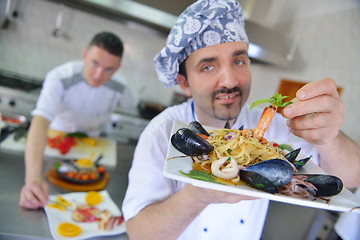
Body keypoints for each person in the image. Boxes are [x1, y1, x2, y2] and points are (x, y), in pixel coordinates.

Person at [122, 1, 360, 239]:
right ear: (184, 83)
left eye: (238, 61)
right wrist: (199, 195)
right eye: (207, 67)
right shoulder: (161, 131)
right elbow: (139, 233)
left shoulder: (276, 126)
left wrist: (330, 138)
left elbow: (351, 177)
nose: (229, 80)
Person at [20, 31, 131, 209]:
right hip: (56, 144)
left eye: (109, 69)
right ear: (85, 55)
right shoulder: (60, 77)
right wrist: (32, 179)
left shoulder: (121, 86)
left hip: (93, 149)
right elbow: (41, 120)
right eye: (94, 63)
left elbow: (129, 105)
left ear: (117, 68)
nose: (98, 75)